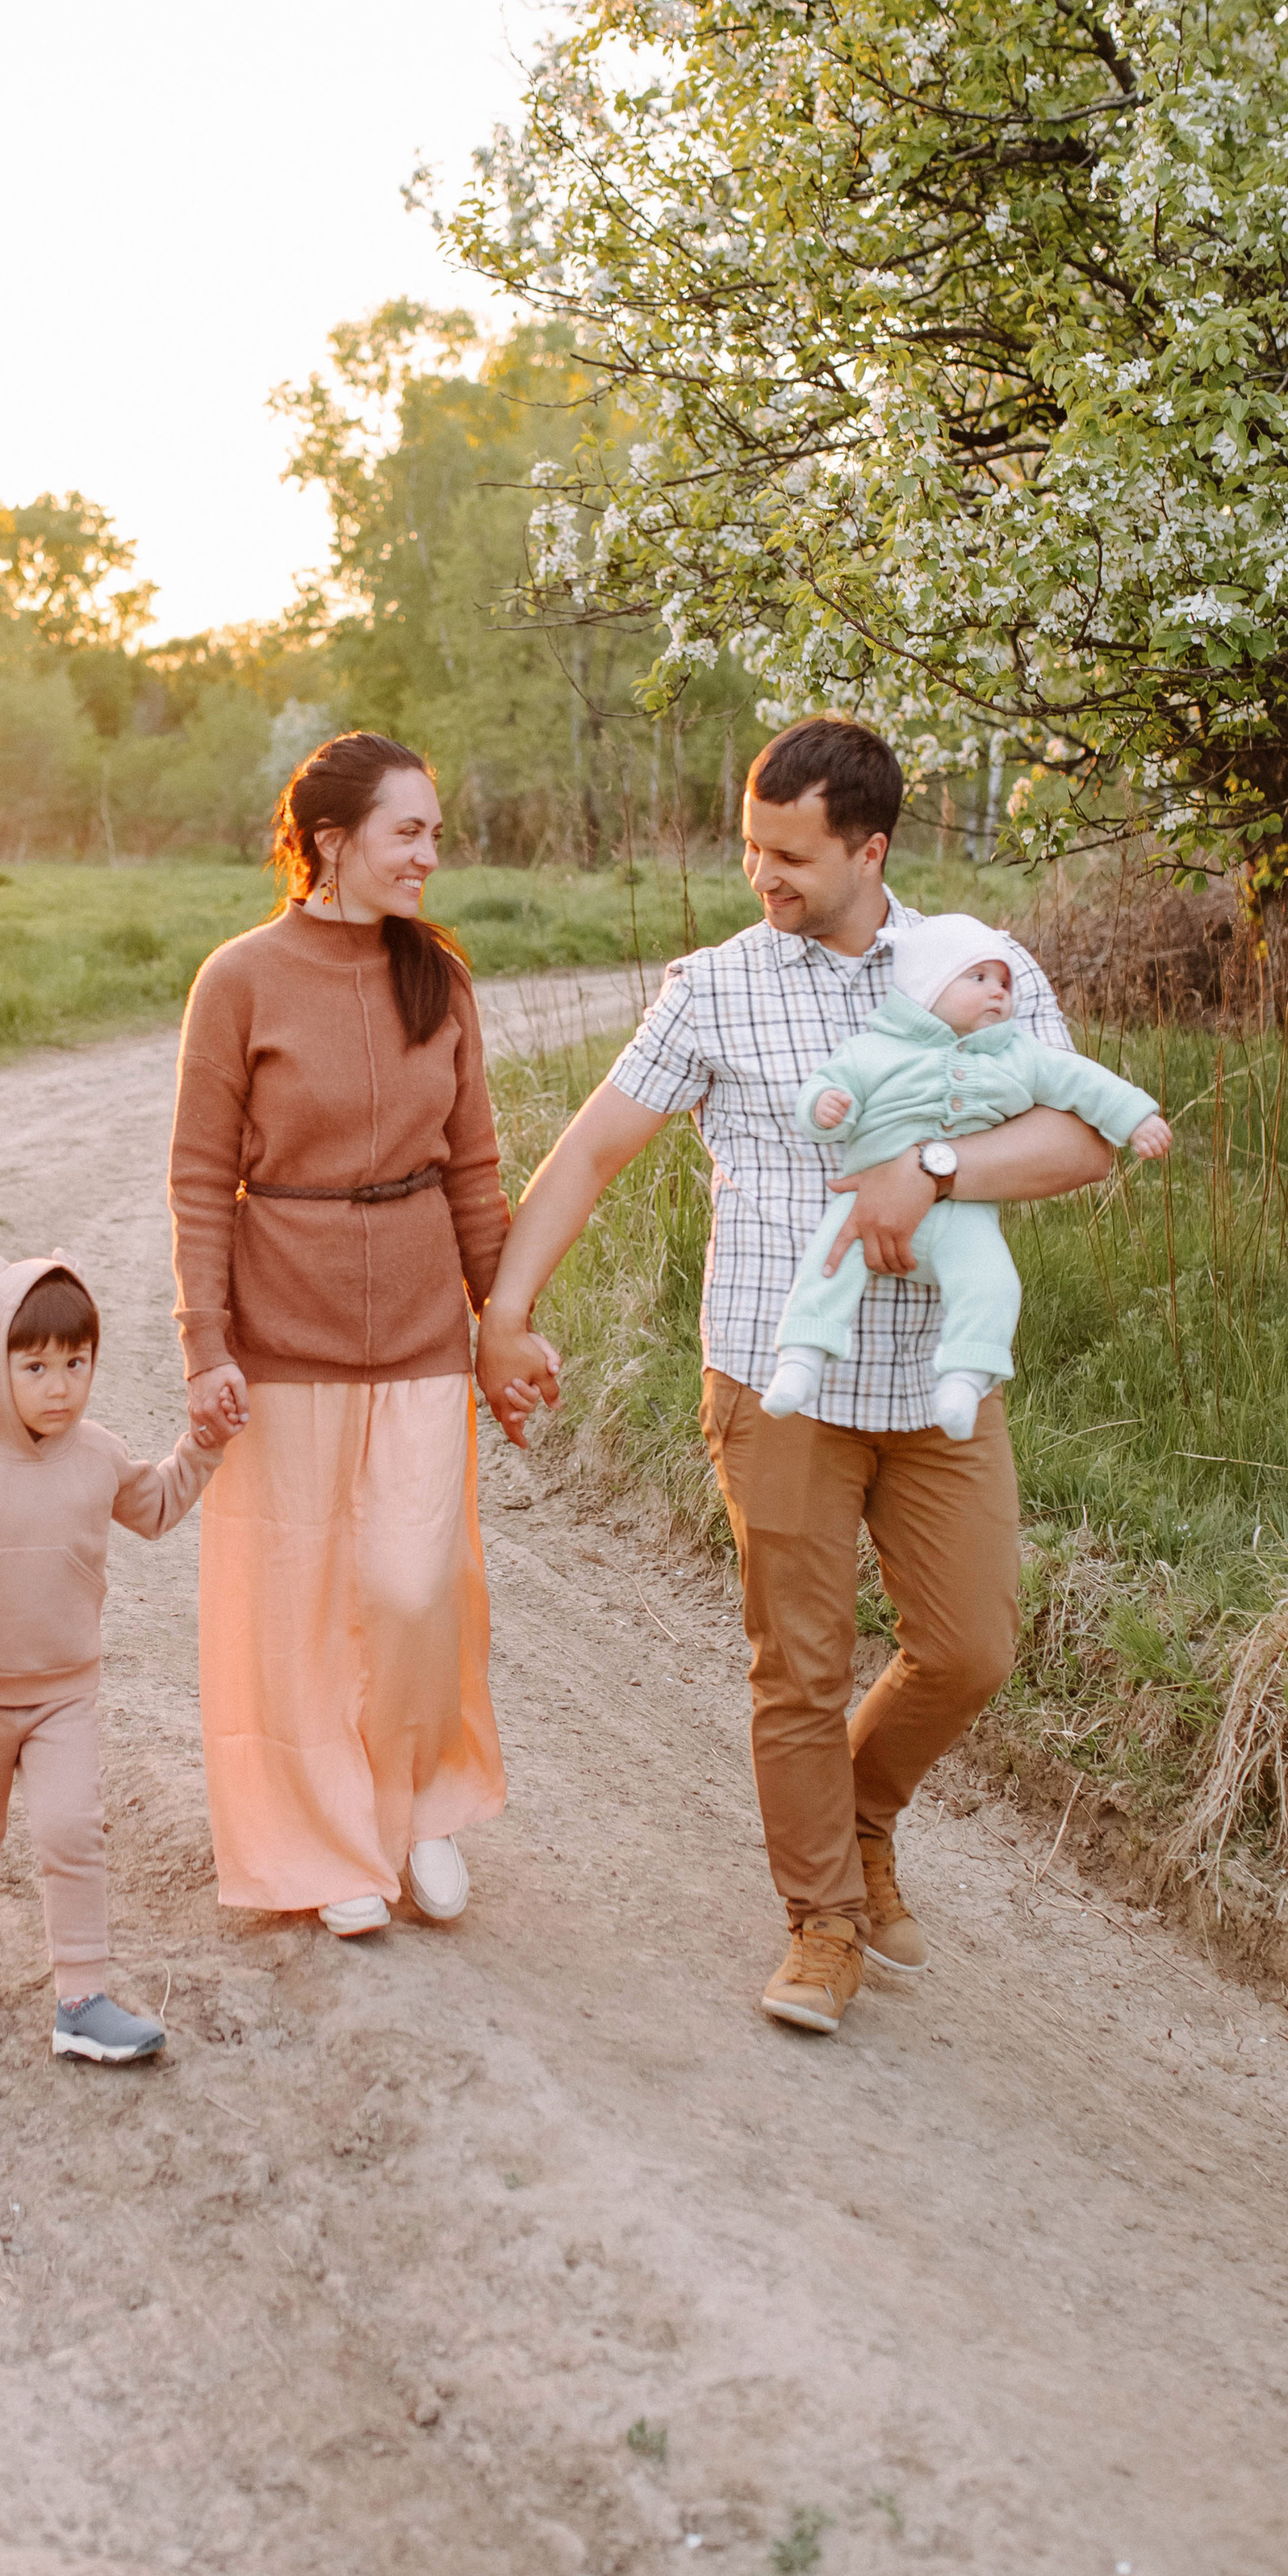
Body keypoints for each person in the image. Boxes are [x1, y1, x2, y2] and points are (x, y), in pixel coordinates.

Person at [476, 717, 1117, 2037]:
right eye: (751, 847)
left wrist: (934, 1170)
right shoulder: (714, 987)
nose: (761, 874)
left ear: (871, 851)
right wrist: (506, 1307)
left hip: (938, 1376)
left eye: (792, 855)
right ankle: (823, 1921)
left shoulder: (977, 965)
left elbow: (1077, 1135)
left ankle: (863, 1815)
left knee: (971, 1649)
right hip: (777, 1378)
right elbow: (591, 1152)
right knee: (800, 1668)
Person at [168, 731, 532, 1940]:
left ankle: (416, 1806)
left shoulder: (441, 979)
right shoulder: (240, 980)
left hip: (424, 1331)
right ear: (332, 841)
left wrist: (503, 1327)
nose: (430, 855)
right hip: (283, 1335)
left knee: (414, 1585)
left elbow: (474, 1172)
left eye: (435, 834)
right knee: (298, 1600)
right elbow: (198, 1179)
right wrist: (206, 1344)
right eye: (407, 832)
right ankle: (327, 1848)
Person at [0, 1250, 220, 2061]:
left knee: (72, 1832)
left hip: (64, 1696)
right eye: (34, 1367)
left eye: (76, 1363)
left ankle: (82, 1998)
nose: (59, 1386)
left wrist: (202, 1448)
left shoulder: (97, 1453)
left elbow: (155, 1506)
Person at [763, 911, 1172, 1439]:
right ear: (924, 989)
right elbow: (827, 1091)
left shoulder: (1017, 1055)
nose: (997, 992)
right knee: (829, 1262)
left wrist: (1136, 1119)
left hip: (963, 1212)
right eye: (977, 978)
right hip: (866, 1200)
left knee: (993, 1281)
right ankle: (801, 1358)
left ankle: (964, 1377)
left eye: (1003, 982)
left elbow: (1083, 1081)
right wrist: (827, 1109)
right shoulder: (873, 1050)